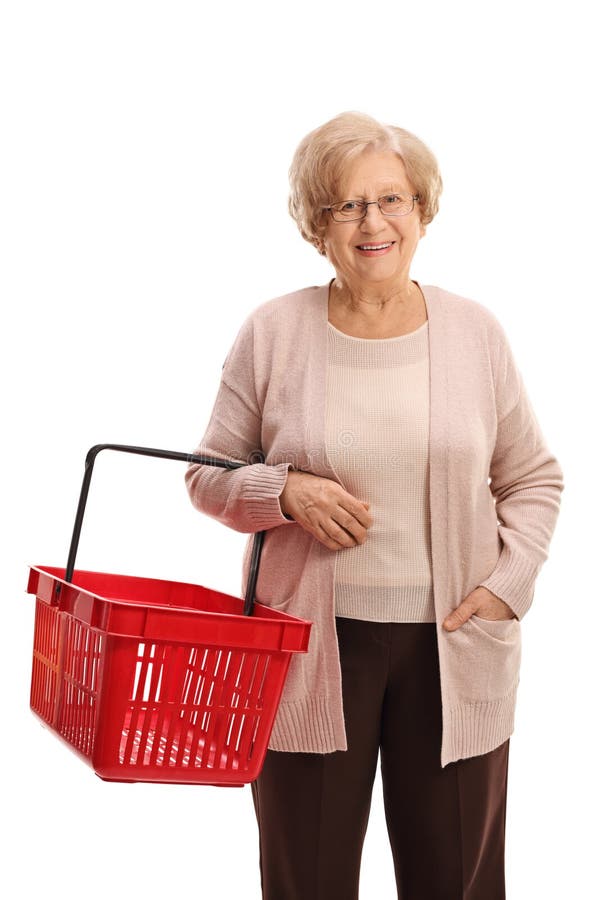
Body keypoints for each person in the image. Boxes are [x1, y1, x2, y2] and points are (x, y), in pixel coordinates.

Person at [185, 111, 564, 900]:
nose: (372, 223)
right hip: (309, 651)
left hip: (454, 641)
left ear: (422, 211)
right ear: (315, 226)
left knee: (455, 881)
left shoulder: (474, 332)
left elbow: (531, 476)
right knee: (307, 881)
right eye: (346, 206)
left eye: (392, 200)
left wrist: (506, 585)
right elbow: (206, 474)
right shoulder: (273, 332)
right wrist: (281, 490)